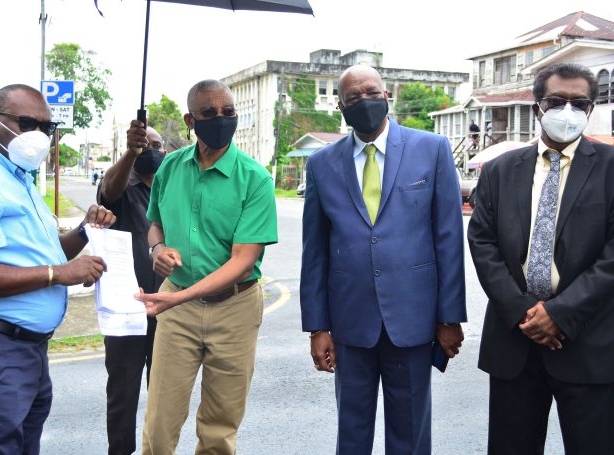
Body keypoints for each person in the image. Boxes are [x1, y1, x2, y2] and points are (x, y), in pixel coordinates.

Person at [468, 62, 614, 454]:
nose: (567, 111)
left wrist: (560, 314)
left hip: (590, 343)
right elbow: (483, 244)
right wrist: (523, 313)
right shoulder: (499, 171)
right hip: (514, 342)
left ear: (590, 110)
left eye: (578, 103)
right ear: (537, 108)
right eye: (556, 101)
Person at [0, 83, 116, 455]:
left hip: (24, 349)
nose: (39, 135)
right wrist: (57, 275)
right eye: (27, 123)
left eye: (47, 127)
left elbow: (45, 254)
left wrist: (84, 231)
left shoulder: (18, 178)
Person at [300, 65, 466, 454]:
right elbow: (316, 253)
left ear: (387, 94)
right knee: (352, 434)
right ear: (340, 106)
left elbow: (448, 240)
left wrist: (449, 317)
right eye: (354, 97)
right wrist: (317, 327)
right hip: (349, 322)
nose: (364, 102)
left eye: (371, 93)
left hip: (413, 320)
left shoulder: (432, 149)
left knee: (410, 434)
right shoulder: (322, 164)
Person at [134, 79, 278, 455]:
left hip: (235, 308)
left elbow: (243, 260)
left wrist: (179, 295)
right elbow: (155, 224)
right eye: (209, 113)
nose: (220, 119)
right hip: (177, 310)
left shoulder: (255, 179)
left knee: (220, 425)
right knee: (160, 420)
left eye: (228, 112)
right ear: (190, 120)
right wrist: (158, 249)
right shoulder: (169, 168)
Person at [98, 122, 166, 455]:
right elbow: (108, 192)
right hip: (126, 309)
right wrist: (131, 152)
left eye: (157, 145)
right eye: (145, 145)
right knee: (123, 395)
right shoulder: (122, 184)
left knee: (164, 395)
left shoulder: (170, 188)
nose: (151, 150)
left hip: (168, 307)